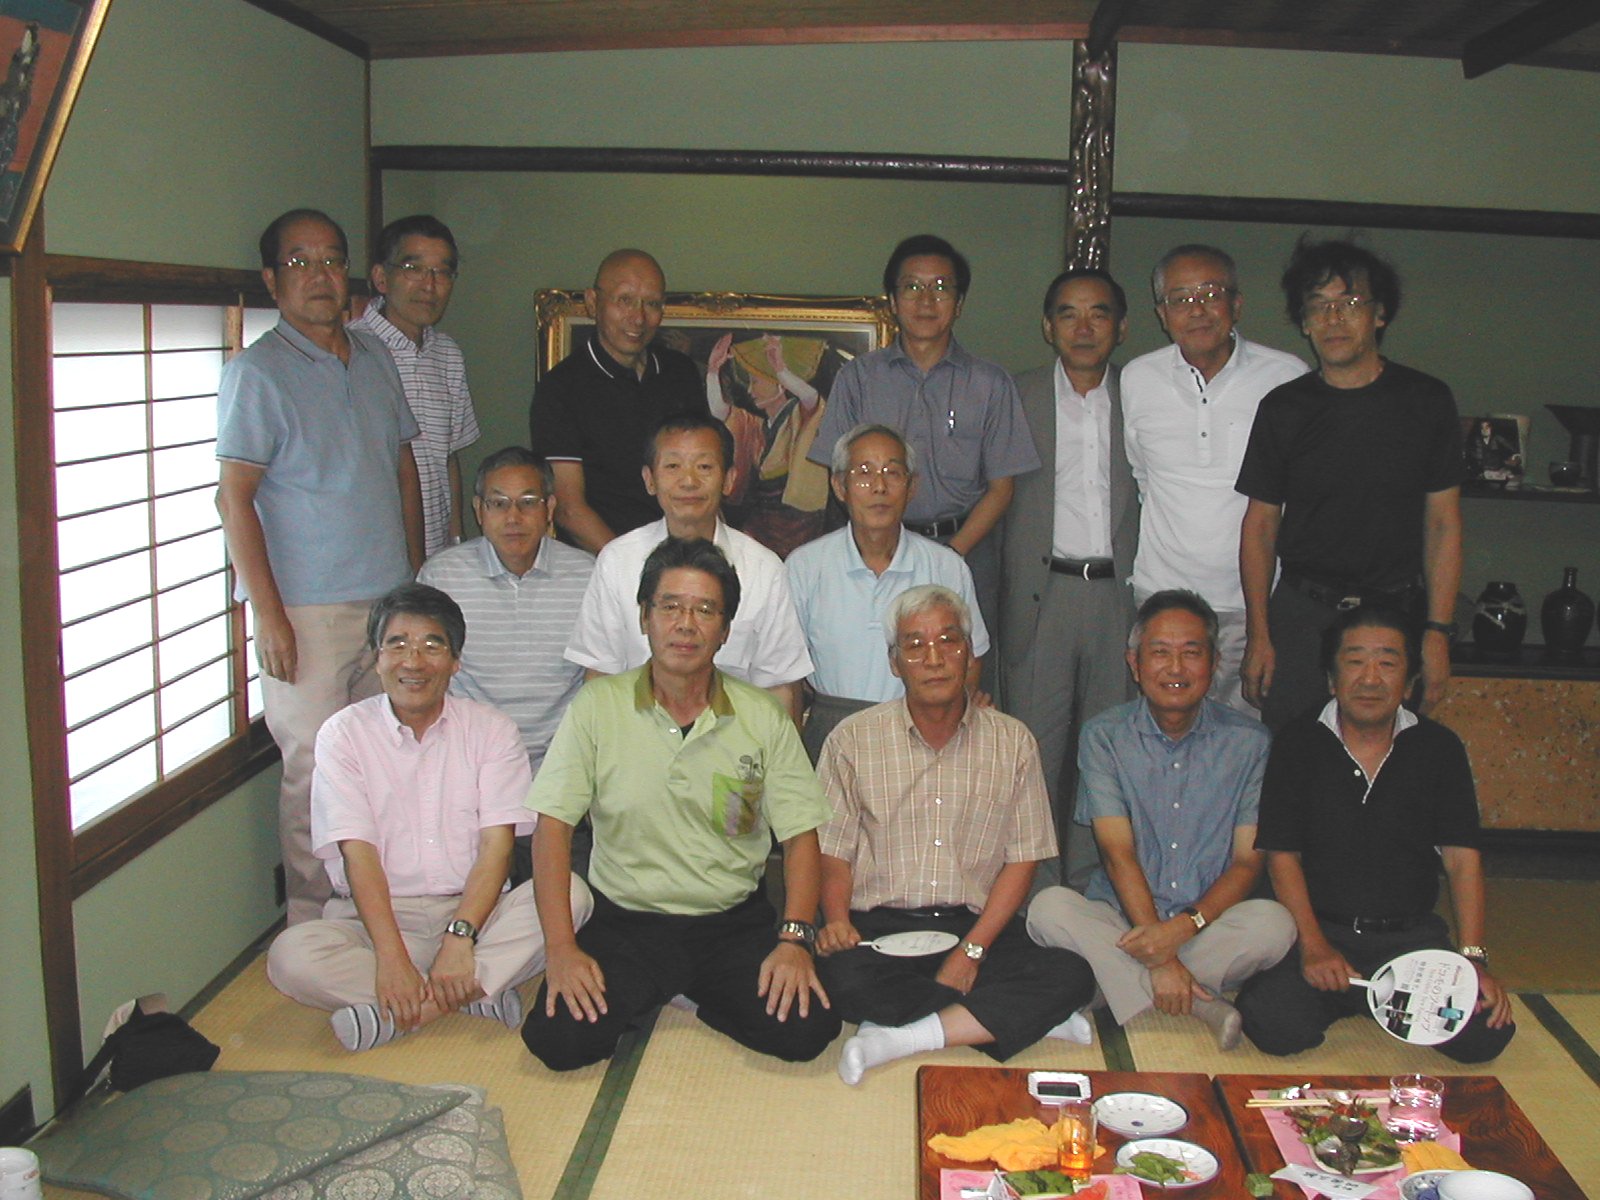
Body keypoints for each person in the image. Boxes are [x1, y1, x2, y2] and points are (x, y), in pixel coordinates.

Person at [521, 537, 842, 1069]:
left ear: (726, 629)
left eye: (705, 610)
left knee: (807, 1030)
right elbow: (552, 828)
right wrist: (561, 949)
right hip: (626, 922)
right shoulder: (597, 707)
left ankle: (687, 994)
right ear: (644, 617)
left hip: (730, 923)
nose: (685, 624)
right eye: (669, 606)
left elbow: (801, 837)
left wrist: (793, 940)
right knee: (560, 1042)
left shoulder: (762, 716)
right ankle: (662, 989)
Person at [266, 584, 593, 1051]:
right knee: (290, 957)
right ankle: (476, 990)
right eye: (397, 645)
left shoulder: (492, 730)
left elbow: (497, 848)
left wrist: (460, 937)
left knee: (572, 895)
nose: (413, 661)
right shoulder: (343, 734)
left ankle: (416, 1006)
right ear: (376, 658)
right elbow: (358, 854)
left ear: (455, 661)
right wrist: (390, 958)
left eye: (431, 645)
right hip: (374, 921)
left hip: (476, 915)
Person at [216, 208, 425, 925]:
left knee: (387, 760)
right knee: (313, 773)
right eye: (299, 262)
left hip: (388, 601)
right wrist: (268, 614)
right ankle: (311, 922)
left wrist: (415, 574)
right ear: (272, 280)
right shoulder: (256, 373)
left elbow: (403, 466)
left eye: (331, 260)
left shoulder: (374, 358)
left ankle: (383, 912)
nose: (319, 275)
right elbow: (234, 499)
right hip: (306, 612)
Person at [815, 586, 1094, 1085]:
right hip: (880, 929)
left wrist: (972, 952)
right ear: (894, 662)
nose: (934, 658)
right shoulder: (852, 739)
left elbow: (1024, 858)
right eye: (915, 645)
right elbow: (833, 849)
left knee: (1071, 974)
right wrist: (836, 922)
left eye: (948, 641)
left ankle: (898, 1038)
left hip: (977, 927)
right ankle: (1006, 1019)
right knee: (838, 980)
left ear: (969, 653)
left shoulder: (1013, 741)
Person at [1235, 606, 1516, 1061]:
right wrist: (1314, 946)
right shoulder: (1298, 742)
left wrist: (1473, 960)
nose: (1370, 678)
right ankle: (1357, 998)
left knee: (1485, 1032)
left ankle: (1378, 999)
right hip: (1323, 931)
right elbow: (1282, 854)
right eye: (1355, 661)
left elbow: (1462, 860)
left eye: (1387, 663)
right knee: (1271, 1022)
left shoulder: (1438, 748)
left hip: (1409, 940)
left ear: (1409, 683)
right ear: (1331, 679)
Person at [1027, 590, 1294, 1049]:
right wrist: (1161, 957)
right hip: (1123, 922)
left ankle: (1109, 989)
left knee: (1274, 924)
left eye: (1191, 653)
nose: (1175, 668)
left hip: (1205, 925)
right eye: (1160, 653)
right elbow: (1117, 854)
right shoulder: (1104, 736)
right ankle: (1197, 999)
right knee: (1048, 908)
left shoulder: (1250, 743)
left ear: (1214, 664)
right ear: (1134, 664)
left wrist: (1181, 931)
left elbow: (1247, 863)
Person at [1237, 238, 1463, 730]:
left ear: (1380, 314)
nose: (1333, 319)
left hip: (1394, 611)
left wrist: (1437, 632)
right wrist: (1260, 633)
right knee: (1292, 753)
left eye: (1350, 303)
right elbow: (1260, 526)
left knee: (1387, 756)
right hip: (1302, 612)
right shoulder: (1284, 409)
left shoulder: (1426, 401)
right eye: (1318, 306)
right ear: (1304, 322)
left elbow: (1443, 524)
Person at [806, 235, 1038, 653]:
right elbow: (839, 475)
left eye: (941, 288)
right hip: (875, 553)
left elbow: (1002, 488)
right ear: (892, 301)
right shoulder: (858, 378)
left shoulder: (990, 383)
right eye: (912, 287)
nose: (926, 300)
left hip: (966, 548)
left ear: (959, 303)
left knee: (959, 667)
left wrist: (951, 555)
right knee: (870, 661)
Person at [1120, 245, 1307, 711]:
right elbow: (1144, 477)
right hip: (1162, 596)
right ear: (1162, 313)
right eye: (1181, 298)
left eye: (1210, 294)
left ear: (1236, 304)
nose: (1197, 310)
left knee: (1244, 735)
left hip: (1251, 603)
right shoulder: (1138, 379)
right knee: (1165, 728)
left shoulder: (1286, 376)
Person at [1000, 268, 1139, 889]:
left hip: (1119, 596)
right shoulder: (1017, 395)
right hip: (1041, 595)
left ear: (1121, 326)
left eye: (1098, 313)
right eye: (1068, 314)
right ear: (1047, 326)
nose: (1083, 328)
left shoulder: (1142, 396)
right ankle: (1034, 891)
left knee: (1105, 751)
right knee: (1034, 749)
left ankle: (1091, 883)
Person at [565, 413, 812, 722]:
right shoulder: (617, 561)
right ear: (649, 479)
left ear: (729, 479)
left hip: (733, 740)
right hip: (636, 738)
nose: (689, 481)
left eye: (704, 467)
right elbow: (599, 676)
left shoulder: (764, 568)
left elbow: (781, 686)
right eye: (673, 466)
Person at [786, 424, 989, 761]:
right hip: (832, 729)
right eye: (864, 473)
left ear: (911, 486)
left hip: (923, 730)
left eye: (892, 473)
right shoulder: (805, 566)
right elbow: (787, 673)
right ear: (839, 486)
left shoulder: (945, 567)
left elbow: (971, 660)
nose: (879, 487)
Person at [416, 447, 592, 778]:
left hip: (563, 762)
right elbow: (425, 677)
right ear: (478, 510)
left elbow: (599, 679)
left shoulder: (587, 575)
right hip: (467, 761)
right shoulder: (442, 577)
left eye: (528, 502)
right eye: (498, 503)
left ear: (549, 508)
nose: (513, 517)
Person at [529, 248, 706, 553]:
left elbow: (705, 472)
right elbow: (569, 509)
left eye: (652, 304)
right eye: (624, 300)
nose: (638, 318)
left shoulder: (680, 372)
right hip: (604, 560)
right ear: (592, 302)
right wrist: (632, 568)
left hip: (685, 554)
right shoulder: (561, 388)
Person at [350, 214, 481, 558]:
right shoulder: (352, 351)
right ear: (381, 277)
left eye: (442, 272)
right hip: (374, 551)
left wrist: (456, 543)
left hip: (436, 550)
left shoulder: (448, 354)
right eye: (414, 268)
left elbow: (449, 455)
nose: (430, 285)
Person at [706, 331, 832, 557]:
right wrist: (713, 371)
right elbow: (720, 413)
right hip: (763, 520)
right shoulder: (757, 426)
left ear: (780, 385)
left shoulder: (798, 417)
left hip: (797, 523)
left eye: (755, 381)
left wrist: (781, 369)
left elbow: (812, 399)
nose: (750, 390)